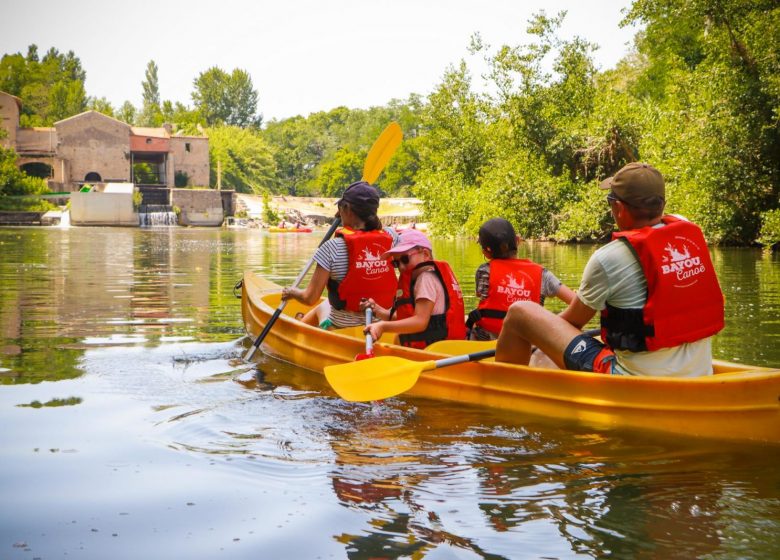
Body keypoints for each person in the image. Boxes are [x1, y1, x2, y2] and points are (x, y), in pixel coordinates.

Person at [496, 162, 725, 377]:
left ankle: (508, 386)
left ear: (618, 208)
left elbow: (572, 323)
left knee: (520, 313)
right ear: (661, 204)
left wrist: (538, 339)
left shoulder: (608, 258)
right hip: (698, 371)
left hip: (633, 378)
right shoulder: (688, 236)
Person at [281, 181, 398, 329]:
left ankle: (297, 330)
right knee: (325, 303)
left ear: (346, 208)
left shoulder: (331, 248)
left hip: (342, 330)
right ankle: (300, 324)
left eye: (340, 207)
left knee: (322, 305)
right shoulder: (392, 238)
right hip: (383, 328)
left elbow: (310, 298)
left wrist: (291, 292)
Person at [468, 218, 575, 341]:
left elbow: (481, 295)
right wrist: (552, 324)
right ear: (518, 241)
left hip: (486, 344)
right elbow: (577, 302)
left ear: (486, 253)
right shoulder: (542, 274)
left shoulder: (483, 271)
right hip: (528, 344)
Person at [362, 229, 467, 348]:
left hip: (433, 352)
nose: (401, 267)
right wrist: (377, 310)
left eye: (405, 259)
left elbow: (420, 322)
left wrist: (383, 326)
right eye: (396, 263)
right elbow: (407, 318)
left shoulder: (425, 279)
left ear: (425, 254)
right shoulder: (426, 276)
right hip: (443, 348)